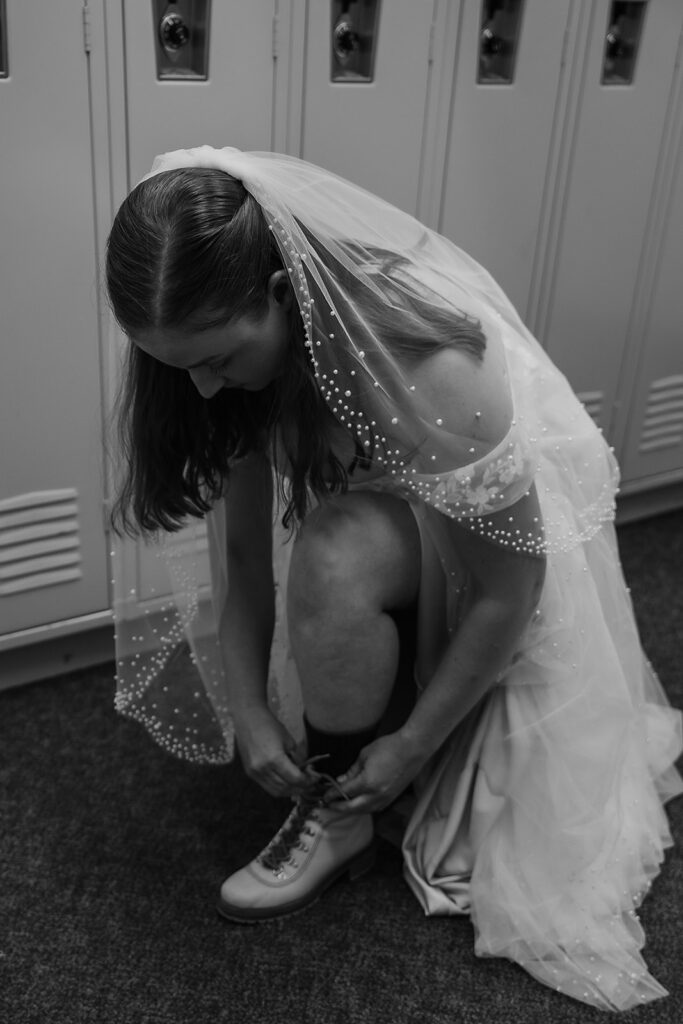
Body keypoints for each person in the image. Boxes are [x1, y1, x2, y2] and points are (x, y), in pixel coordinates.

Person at [105, 146, 682, 1011]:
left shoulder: (430, 371)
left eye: (218, 357)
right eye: (172, 361)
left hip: (495, 558)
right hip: (397, 517)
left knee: (333, 547)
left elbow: (508, 589)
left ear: (276, 293)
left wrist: (412, 746)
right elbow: (239, 561)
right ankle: (339, 807)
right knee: (330, 550)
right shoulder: (215, 361)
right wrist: (249, 710)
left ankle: (356, 793)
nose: (199, 384)